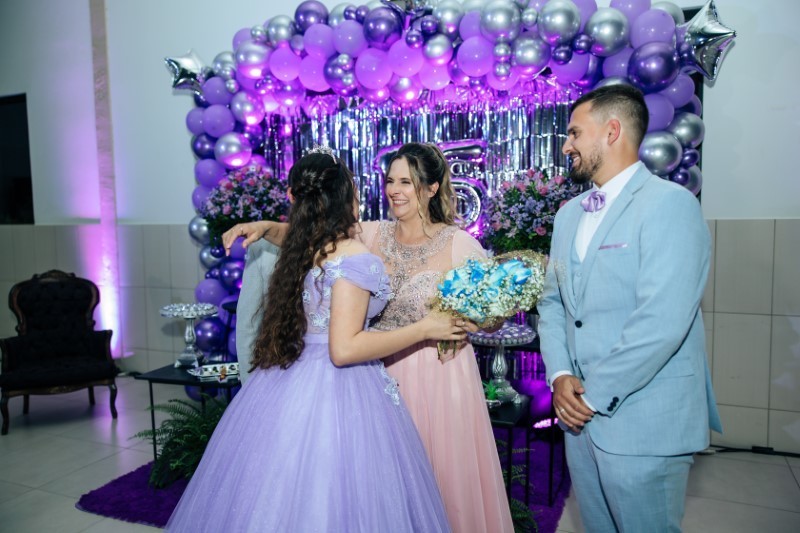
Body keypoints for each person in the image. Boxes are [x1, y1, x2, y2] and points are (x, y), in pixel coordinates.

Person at [168, 151, 469, 532]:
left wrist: (263, 226)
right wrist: (426, 328)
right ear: (344, 197)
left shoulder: (313, 247)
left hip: (290, 378)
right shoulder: (355, 256)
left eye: (403, 182)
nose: (378, 193)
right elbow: (344, 349)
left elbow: (294, 236)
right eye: (358, 189)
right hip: (341, 387)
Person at [225, 143, 514, 533]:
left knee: (441, 483)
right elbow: (314, 236)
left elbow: (490, 315)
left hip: (438, 378)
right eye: (390, 181)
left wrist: (483, 317)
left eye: (406, 182)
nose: (394, 190)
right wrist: (265, 228)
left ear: (431, 188)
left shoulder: (460, 244)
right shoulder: (372, 233)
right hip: (375, 370)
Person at [536, 84, 722, 532]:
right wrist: (560, 376)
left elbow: (661, 323)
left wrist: (591, 397)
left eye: (575, 133)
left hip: (644, 420)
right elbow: (553, 303)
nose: (566, 146)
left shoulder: (670, 205)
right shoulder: (567, 215)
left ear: (612, 131)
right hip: (579, 422)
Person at [234, 238, 279, 383]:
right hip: (278, 365)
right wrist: (248, 384)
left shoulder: (339, 243)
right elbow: (248, 323)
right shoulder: (263, 247)